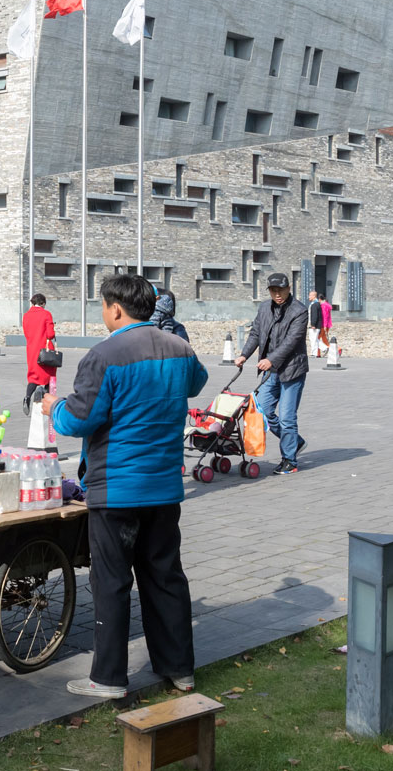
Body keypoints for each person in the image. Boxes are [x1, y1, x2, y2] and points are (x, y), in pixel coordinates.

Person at [46, 273, 207, 700]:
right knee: (165, 576)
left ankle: (110, 677)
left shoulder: (103, 355)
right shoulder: (179, 348)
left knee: (112, 581)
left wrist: (53, 406)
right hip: (164, 486)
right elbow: (196, 382)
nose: (103, 314)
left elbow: (76, 420)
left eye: (102, 307)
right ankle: (180, 669)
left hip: (116, 488)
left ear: (116, 308)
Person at [235, 273, 309, 473]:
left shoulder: (300, 311)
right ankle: (294, 441)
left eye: (281, 290)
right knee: (263, 412)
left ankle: (290, 461)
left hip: (292, 370)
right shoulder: (264, 308)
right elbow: (256, 333)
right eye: (273, 290)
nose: (277, 294)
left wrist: (271, 359)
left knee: (286, 417)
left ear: (289, 288)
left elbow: (291, 342)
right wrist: (244, 355)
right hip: (270, 372)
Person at [22, 293, 58, 410]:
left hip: (32, 349)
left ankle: (27, 397)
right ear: (42, 303)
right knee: (49, 375)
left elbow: (26, 333)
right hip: (45, 349)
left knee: (33, 376)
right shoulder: (46, 314)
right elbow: (50, 334)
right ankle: (47, 401)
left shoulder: (26, 315)